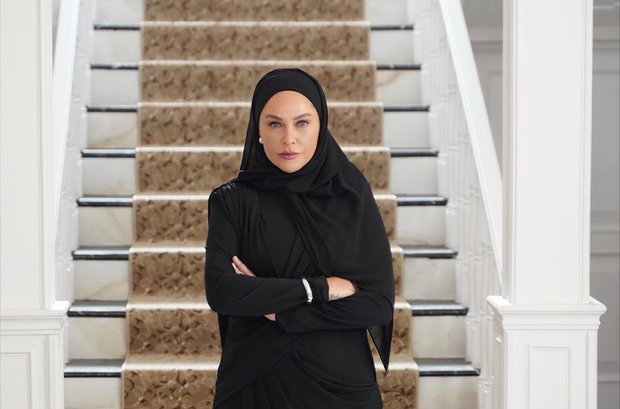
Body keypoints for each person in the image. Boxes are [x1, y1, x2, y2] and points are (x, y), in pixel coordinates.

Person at [204, 68, 395, 408]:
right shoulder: (231, 201)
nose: (288, 139)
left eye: (302, 123)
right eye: (275, 124)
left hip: (341, 387)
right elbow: (221, 291)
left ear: (321, 126)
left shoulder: (350, 195)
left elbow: (376, 303)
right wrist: (319, 289)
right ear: (257, 129)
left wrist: (282, 313)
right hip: (254, 380)